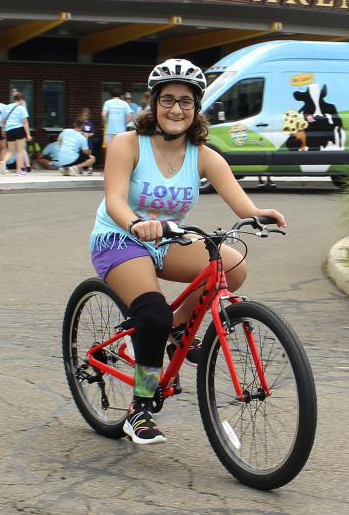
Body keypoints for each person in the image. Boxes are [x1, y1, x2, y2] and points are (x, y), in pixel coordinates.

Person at [89, 58, 285, 445]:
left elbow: (241, 205)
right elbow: (114, 200)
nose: (176, 109)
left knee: (233, 264)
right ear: (153, 103)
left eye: (185, 101)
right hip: (120, 238)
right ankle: (140, 408)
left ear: (196, 108)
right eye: (167, 100)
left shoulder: (203, 155)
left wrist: (258, 215)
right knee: (152, 312)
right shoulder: (129, 144)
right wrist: (134, 223)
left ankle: (176, 328)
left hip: (168, 239)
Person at [0, 93, 31, 175]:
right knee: (20, 151)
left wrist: (3, 130)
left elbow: (2, 121)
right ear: (21, 99)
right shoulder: (21, 108)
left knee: (11, 150)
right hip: (19, 129)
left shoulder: (7, 107)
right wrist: (28, 134)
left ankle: (3, 162)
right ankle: (19, 170)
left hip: (9, 130)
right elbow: (25, 122)